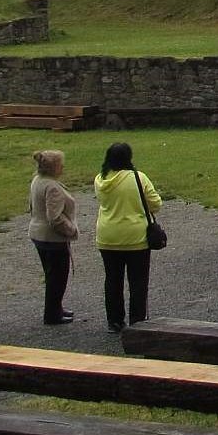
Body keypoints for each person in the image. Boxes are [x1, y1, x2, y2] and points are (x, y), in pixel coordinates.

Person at [94, 141, 162, 332]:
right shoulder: (138, 178)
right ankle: (138, 321)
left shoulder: (100, 179)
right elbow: (155, 204)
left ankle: (114, 321)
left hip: (107, 236)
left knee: (112, 280)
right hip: (135, 237)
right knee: (138, 282)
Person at [27, 149, 78, 325]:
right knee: (58, 277)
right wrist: (71, 230)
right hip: (52, 239)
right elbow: (54, 217)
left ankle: (56, 308)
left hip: (37, 233)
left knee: (52, 275)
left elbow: (32, 206)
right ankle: (52, 314)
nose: (63, 167)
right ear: (53, 167)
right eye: (60, 164)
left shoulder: (37, 180)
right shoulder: (52, 187)